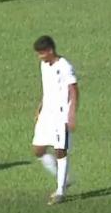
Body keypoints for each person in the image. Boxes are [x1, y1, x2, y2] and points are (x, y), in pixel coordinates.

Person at [31, 35, 79, 206]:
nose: (39, 56)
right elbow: (48, 89)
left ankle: (60, 190)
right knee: (38, 150)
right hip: (46, 114)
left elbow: (73, 90)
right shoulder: (44, 65)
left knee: (60, 151)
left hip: (60, 115)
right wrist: (40, 107)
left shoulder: (64, 66)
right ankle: (65, 178)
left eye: (41, 53)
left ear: (50, 50)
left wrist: (71, 114)